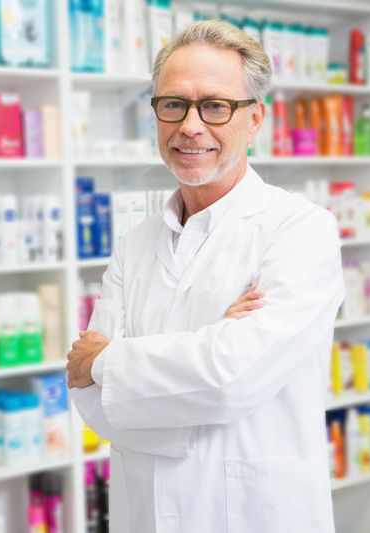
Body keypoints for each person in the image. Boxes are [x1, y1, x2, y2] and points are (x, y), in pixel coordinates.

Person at [67, 20, 344, 533]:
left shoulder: (300, 230)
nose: (190, 126)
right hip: (144, 514)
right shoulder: (134, 245)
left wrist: (109, 364)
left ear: (255, 119)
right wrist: (208, 347)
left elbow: (229, 382)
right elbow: (92, 404)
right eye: (173, 104)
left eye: (215, 106)